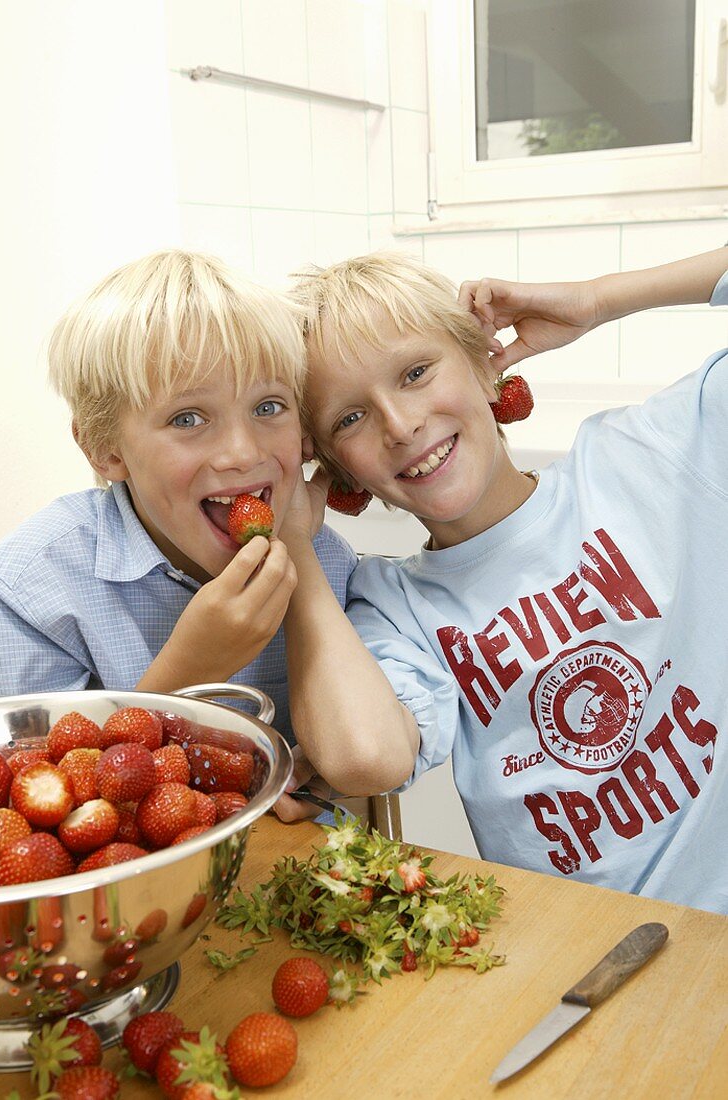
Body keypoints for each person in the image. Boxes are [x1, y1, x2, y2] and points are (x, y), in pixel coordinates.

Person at [279, 246, 728, 914]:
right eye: (350, 418)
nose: (400, 426)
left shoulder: (647, 455)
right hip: (585, 959)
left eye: (415, 372)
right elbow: (363, 758)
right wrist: (295, 550)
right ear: (337, 474)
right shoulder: (395, 606)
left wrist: (598, 297)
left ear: (489, 364)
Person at [0, 250, 357, 749]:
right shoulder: (33, 587)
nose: (242, 453)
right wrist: (192, 669)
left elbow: (359, 769)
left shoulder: (330, 567)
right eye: (187, 419)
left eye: (268, 406)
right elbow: (43, 799)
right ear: (104, 449)